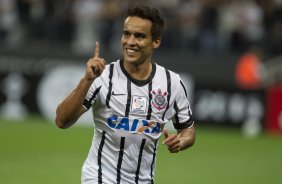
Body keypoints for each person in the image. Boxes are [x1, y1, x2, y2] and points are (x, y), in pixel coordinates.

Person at [55, 6, 195, 184]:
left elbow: (188, 129)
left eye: (140, 36)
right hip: (99, 178)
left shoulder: (171, 83)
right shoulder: (102, 76)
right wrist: (86, 80)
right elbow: (61, 120)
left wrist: (182, 141)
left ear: (156, 42)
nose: (130, 41)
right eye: (126, 34)